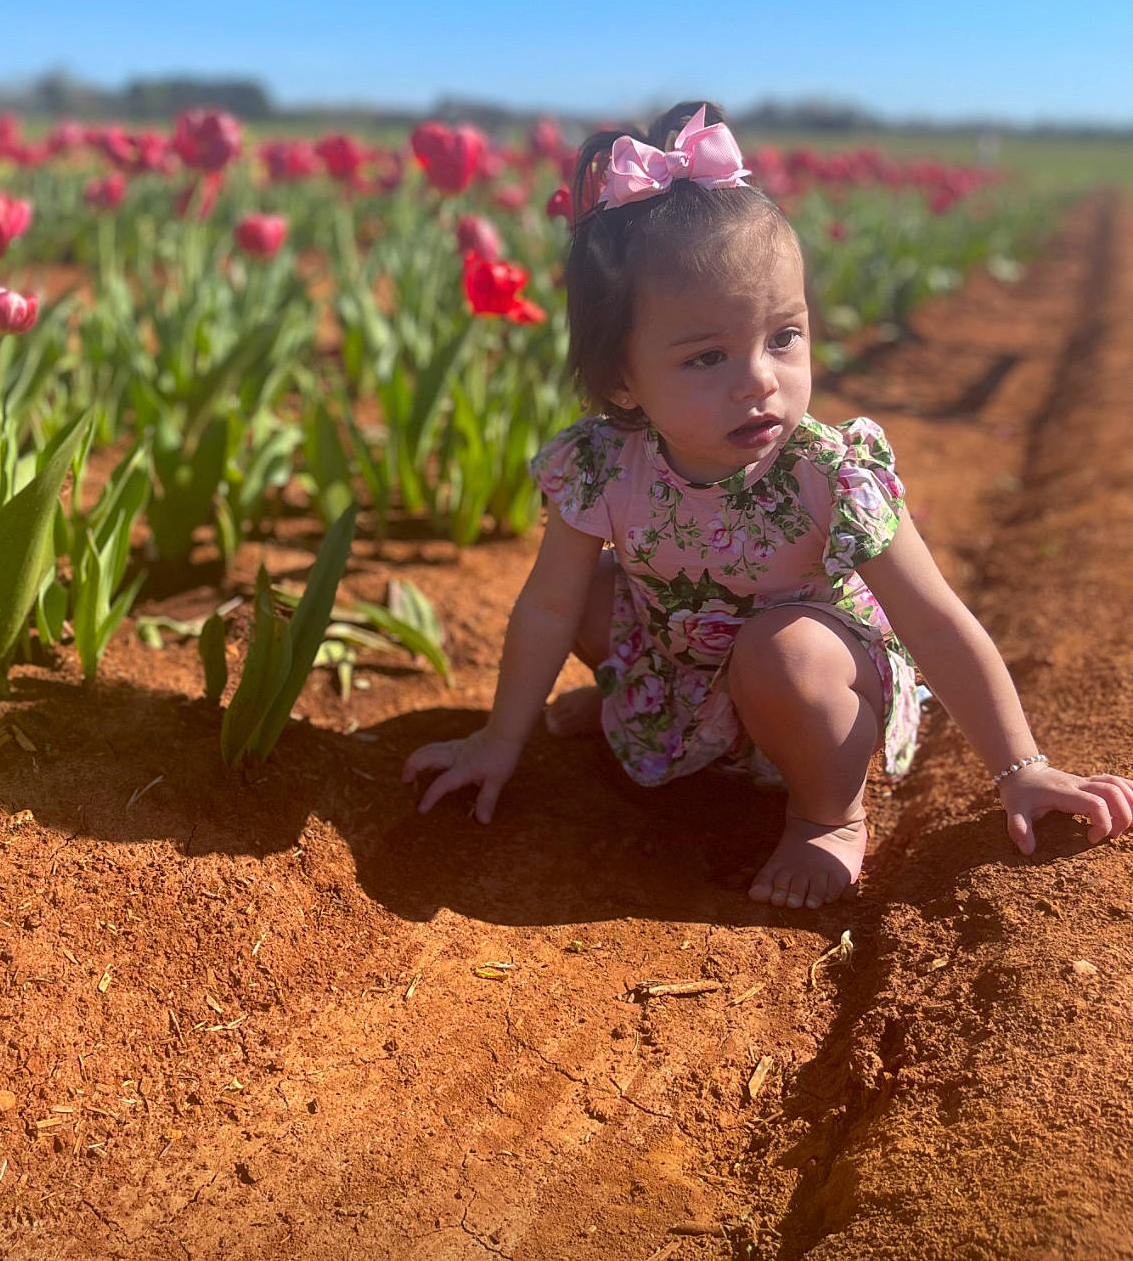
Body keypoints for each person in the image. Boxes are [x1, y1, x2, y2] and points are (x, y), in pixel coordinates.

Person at [402, 100, 1133, 909]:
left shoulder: (827, 473)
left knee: (779, 648)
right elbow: (543, 609)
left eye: (783, 336)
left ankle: (827, 814)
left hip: (815, 688)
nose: (759, 379)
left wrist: (1022, 768)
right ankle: (643, 715)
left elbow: (935, 620)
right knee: (587, 592)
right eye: (707, 356)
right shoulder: (604, 466)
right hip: (680, 670)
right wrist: (500, 740)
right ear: (623, 381)